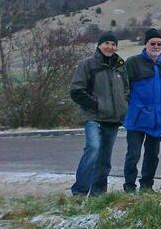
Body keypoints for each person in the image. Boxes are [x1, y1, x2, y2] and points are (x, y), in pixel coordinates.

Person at [70, 31, 129, 197]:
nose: (110, 47)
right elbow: (76, 91)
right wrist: (97, 105)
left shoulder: (120, 66)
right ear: (99, 45)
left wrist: (124, 105)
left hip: (113, 119)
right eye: (106, 43)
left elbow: (126, 89)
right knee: (93, 149)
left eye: (113, 44)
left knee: (105, 159)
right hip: (94, 117)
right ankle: (79, 192)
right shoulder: (87, 65)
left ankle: (98, 194)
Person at [123, 28, 161, 193]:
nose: (156, 46)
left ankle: (146, 186)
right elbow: (124, 89)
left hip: (157, 119)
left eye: (159, 43)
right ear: (146, 44)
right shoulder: (133, 62)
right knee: (133, 154)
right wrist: (132, 107)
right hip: (137, 118)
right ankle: (129, 186)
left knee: (152, 155)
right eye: (153, 43)